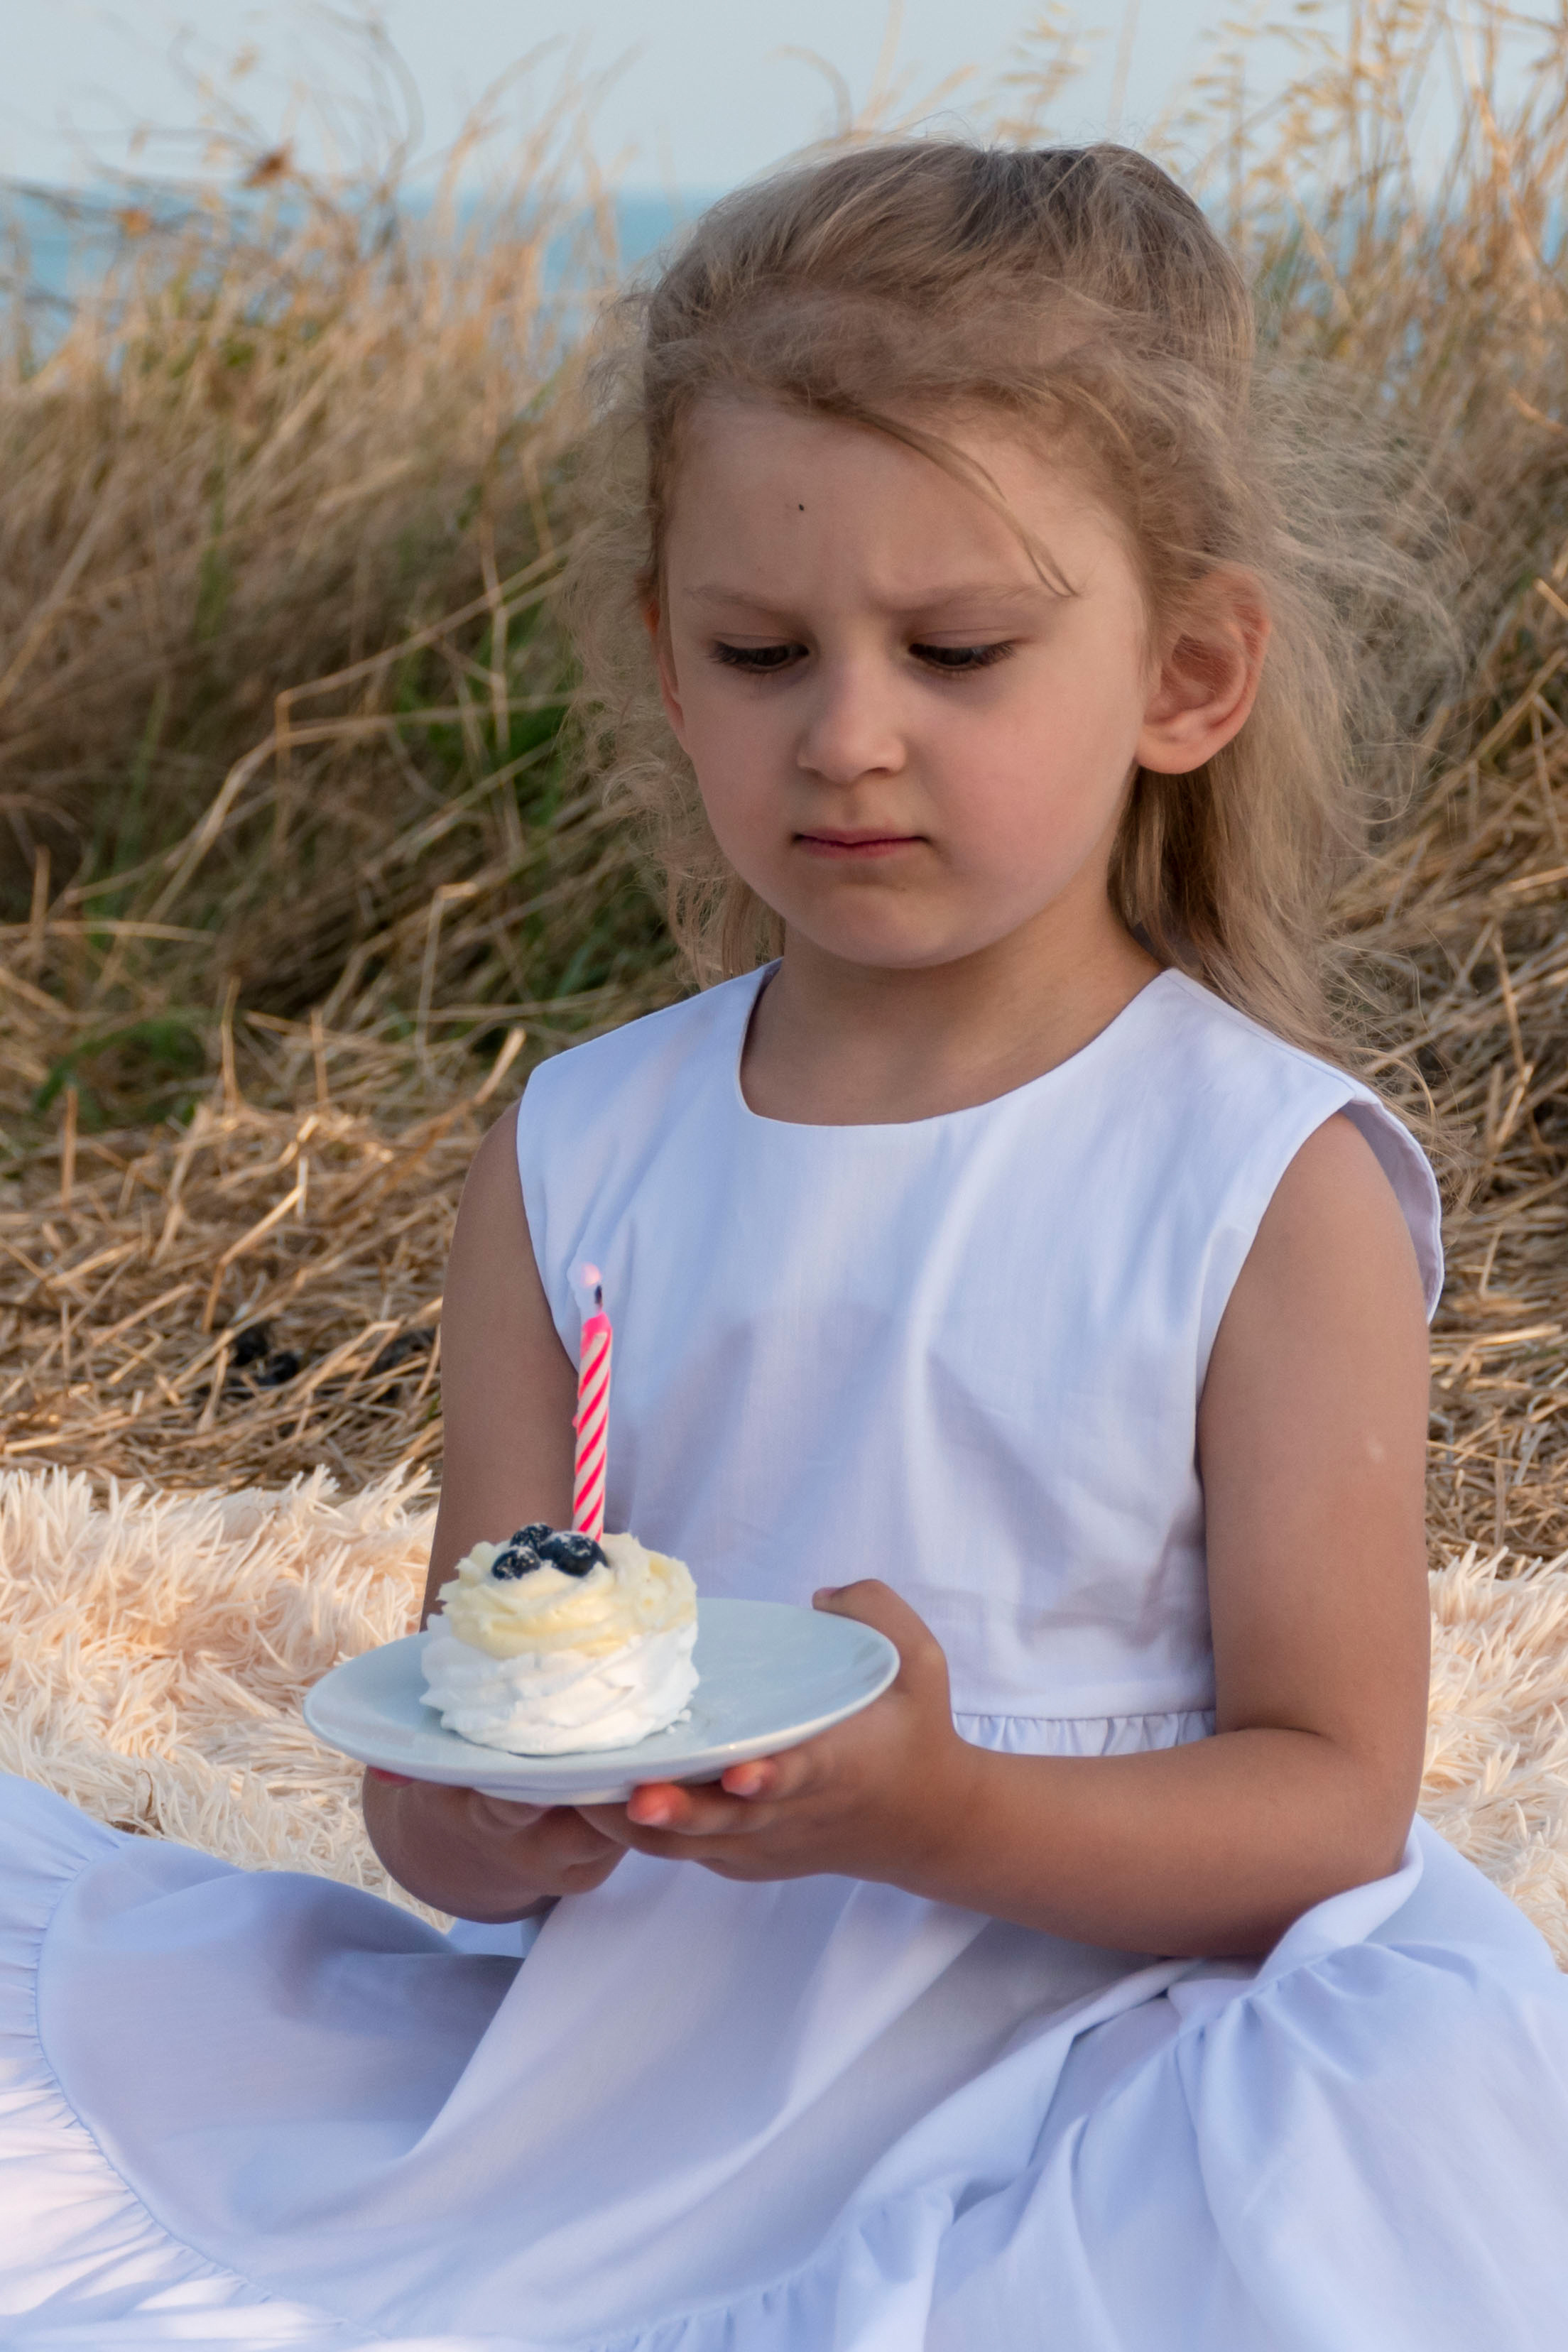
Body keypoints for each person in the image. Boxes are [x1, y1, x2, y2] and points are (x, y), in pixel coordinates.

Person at [2, 141, 1565, 2351]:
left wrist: (932, 1813)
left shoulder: (1257, 1185)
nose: (847, 736)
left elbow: (1329, 1808)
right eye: (758, 650)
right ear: (663, 657)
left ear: (1187, 675)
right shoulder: (581, 1148)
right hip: (646, 2074)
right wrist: (487, 1830)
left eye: (957, 650)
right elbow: (448, 1743)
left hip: (1087, 2073)